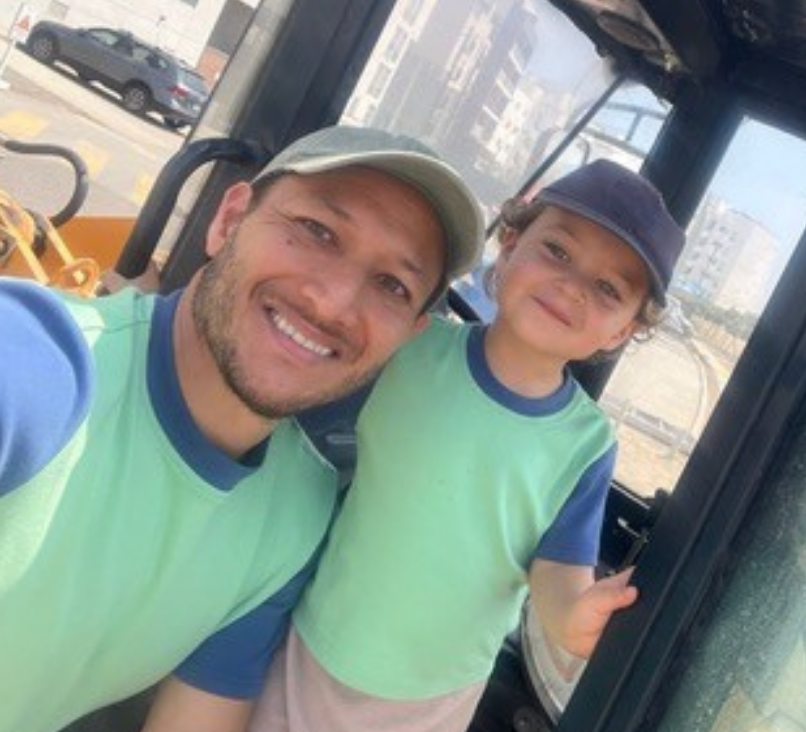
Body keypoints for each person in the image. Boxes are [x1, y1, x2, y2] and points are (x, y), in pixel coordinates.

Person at [0, 125, 485, 732]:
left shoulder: (295, 514)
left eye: (392, 285)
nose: (333, 303)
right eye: (318, 232)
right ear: (228, 220)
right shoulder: (37, 367)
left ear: (409, 336)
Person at [240, 159, 687, 732]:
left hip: (432, 696)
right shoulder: (414, 345)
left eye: (606, 289)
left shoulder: (585, 444)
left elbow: (558, 569)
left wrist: (573, 615)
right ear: (510, 242)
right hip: (315, 635)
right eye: (557, 252)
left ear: (622, 331)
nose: (571, 287)